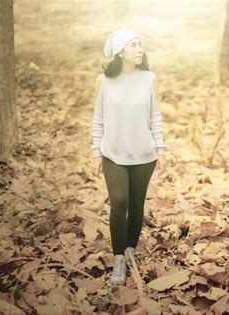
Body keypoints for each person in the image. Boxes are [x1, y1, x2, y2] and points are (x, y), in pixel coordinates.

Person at [90, 28, 167, 285]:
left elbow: (155, 116)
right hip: (112, 153)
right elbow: (98, 119)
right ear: (120, 51)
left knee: (136, 205)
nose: (139, 49)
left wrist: (161, 149)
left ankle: (131, 251)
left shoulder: (149, 78)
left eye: (140, 44)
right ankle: (118, 259)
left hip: (145, 155)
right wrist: (94, 152)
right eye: (133, 45)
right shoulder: (104, 81)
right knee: (119, 202)